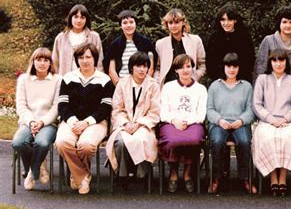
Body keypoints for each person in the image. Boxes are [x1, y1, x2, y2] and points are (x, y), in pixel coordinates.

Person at [55, 43, 114, 194]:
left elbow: (105, 108)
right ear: (76, 59)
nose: (85, 60)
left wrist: (87, 122)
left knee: (86, 145)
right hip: (71, 121)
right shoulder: (68, 78)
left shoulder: (104, 79)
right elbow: (62, 105)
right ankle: (82, 176)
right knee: (62, 143)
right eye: (81, 57)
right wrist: (74, 121)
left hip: (96, 122)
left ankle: (77, 177)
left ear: (95, 58)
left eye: (88, 57)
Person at [252, 49, 291, 197]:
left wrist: (285, 119)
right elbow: (256, 104)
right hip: (266, 121)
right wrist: (271, 119)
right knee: (268, 138)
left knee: (287, 138)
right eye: (275, 60)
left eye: (281, 60)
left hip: (287, 121)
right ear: (270, 62)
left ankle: (282, 177)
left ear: (286, 62)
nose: (278, 64)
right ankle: (272, 178)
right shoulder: (262, 79)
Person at [105, 52, 160, 190]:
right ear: (131, 68)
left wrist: (139, 123)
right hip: (124, 124)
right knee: (120, 142)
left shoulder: (153, 85)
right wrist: (125, 123)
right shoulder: (122, 84)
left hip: (144, 125)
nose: (142, 69)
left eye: (145, 66)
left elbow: (155, 111)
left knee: (143, 140)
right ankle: (122, 174)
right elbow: (116, 109)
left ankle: (142, 174)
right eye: (138, 66)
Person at [12, 47, 61, 190]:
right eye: (38, 60)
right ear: (33, 62)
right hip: (28, 122)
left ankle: (31, 173)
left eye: (46, 60)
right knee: (19, 142)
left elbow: (56, 107)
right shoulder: (24, 79)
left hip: (48, 123)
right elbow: (21, 105)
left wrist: (42, 122)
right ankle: (38, 166)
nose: (42, 63)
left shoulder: (58, 80)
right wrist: (32, 122)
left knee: (42, 143)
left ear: (50, 63)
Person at [207, 53, 256, 194]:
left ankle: (245, 178)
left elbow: (250, 109)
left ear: (239, 68)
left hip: (239, 123)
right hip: (219, 123)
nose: (232, 69)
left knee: (245, 141)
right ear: (223, 67)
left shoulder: (246, 86)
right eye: (228, 66)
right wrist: (219, 120)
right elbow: (209, 109)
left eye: (235, 66)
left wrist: (241, 120)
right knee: (216, 141)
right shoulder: (215, 86)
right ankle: (216, 179)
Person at [159, 54, 207, 193]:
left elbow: (201, 114)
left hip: (193, 123)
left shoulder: (200, 89)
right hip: (172, 122)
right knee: (172, 140)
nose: (185, 70)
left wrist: (188, 122)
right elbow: (163, 111)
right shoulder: (168, 87)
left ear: (193, 68)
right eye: (181, 67)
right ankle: (173, 173)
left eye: (188, 66)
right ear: (176, 70)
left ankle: (187, 174)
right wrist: (175, 121)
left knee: (193, 139)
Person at [254, 6, 291, 85]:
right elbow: (260, 68)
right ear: (279, 23)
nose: (288, 25)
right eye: (284, 22)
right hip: (269, 88)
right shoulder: (268, 41)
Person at [104, 10, 158, 85]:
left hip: (142, 83)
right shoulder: (115, 45)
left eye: (131, 22)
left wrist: (144, 85)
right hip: (122, 83)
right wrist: (119, 85)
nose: (128, 25)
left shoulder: (145, 42)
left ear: (136, 24)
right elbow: (111, 70)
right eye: (125, 23)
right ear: (121, 25)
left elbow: (151, 67)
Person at [155, 8, 206, 88]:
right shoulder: (160, 44)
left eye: (177, 22)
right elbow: (157, 68)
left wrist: (194, 77)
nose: (173, 26)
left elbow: (202, 64)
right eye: (170, 23)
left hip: (189, 86)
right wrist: (158, 83)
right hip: (168, 88)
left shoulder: (195, 40)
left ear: (183, 22)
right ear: (166, 24)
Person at [206, 4, 255, 83]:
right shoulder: (214, 38)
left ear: (235, 20)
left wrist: (238, 79)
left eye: (229, 20)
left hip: (241, 81)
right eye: (223, 20)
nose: (226, 23)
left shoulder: (244, 37)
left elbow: (249, 60)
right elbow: (210, 63)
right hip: (219, 82)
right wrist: (221, 79)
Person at [52, 4, 103, 75]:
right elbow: (55, 62)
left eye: (82, 17)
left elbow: (99, 62)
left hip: (89, 80)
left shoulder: (94, 37)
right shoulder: (60, 38)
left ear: (86, 19)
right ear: (70, 18)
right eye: (76, 17)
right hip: (65, 79)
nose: (79, 20)